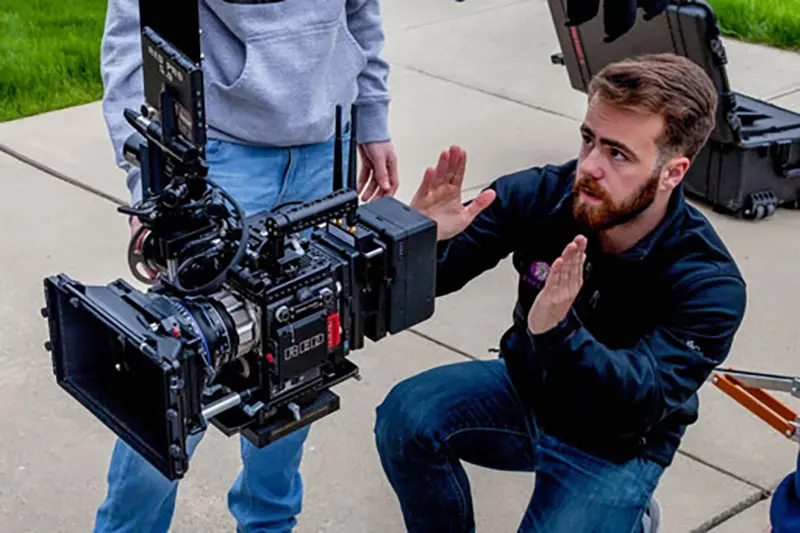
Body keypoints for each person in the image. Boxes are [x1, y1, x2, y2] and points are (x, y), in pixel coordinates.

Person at [374, 53, 748, 532]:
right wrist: (418, 241)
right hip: (529, 391)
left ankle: (627, 518)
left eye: (617, 154)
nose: (588, 166)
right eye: (588, 139)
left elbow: (642, 399)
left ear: (672, 172)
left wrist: (558, 334)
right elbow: (430, 283)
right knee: (407, 418)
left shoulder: (708, 283)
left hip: (616, 443)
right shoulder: (544, 194)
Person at [95, 0, 397, 531]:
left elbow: (359, 11)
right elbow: (132, 34)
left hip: (325, 147)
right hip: (218, 157)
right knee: (175, 372)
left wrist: (369, 115)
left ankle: (268, 525)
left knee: (298, 362)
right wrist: (153, 183)